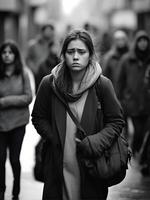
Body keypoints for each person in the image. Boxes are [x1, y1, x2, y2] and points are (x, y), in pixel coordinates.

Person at [31, 29, 125, 200]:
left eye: (81, 52)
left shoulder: (102, 85)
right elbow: (38, 117)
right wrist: (54, 137)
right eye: (70, 52)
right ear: (63, 54)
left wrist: (94, 143)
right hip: (57, 163)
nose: (75, 57)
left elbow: (116, 121)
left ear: (90, 54)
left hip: (92, 164)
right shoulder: (49, 83)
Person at [0, 40, 32, 200]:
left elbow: (28, 97)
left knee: (14, 158)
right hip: (1, 124)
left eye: (10, 52)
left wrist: (4, 101)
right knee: (0, 159)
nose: (7, 55)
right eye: (4, 52)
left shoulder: (23, 74)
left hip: (18, 123)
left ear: (15, 55)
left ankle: (16, 190)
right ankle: (1, 189)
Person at [117, 30, 150, 157]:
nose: (143, 44)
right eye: (140, 41)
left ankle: (142, 155)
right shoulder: (127, 59)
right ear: (136, 43)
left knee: (146, 131)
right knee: (138, 132)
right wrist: (120, 99)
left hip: (147, 102)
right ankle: (137, 152)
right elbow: (120, 81)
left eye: (145, 41)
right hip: (133, 103)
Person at [26, 23, 55, 91]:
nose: (49, 32)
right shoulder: (33, 45)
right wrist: (34, 70)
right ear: (42, 31)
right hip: (36, 77)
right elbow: (28, 59)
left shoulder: (54, 45)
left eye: (50, 30)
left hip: (51, 77)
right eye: (47, 30)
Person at [102, 30, 129, 94]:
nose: (120, 42)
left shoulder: (130, 56)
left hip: (128, 93)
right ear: (114, 41)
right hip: (113, 91)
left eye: (122, 39)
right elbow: (104, 76)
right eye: (118, 39)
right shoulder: (108, 57)